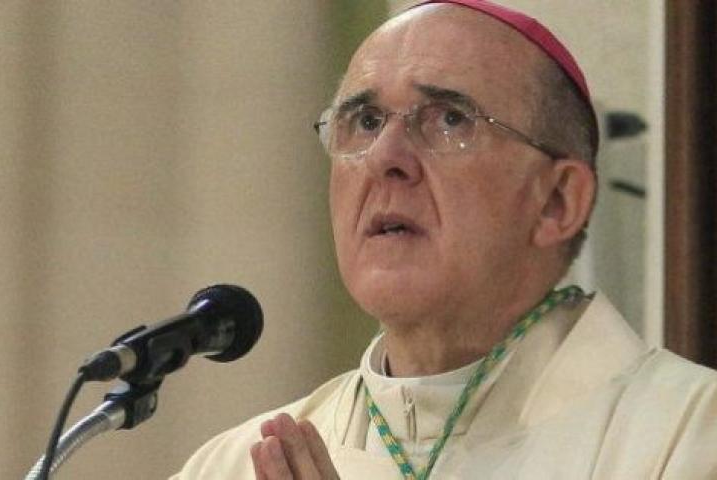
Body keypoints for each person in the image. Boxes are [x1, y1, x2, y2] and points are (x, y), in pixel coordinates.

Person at [171, 1, 717, 478]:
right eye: (365, 121)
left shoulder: (687, 434)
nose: (385, 158)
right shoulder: (232, 466)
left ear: (557, 201)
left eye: (451, 120)